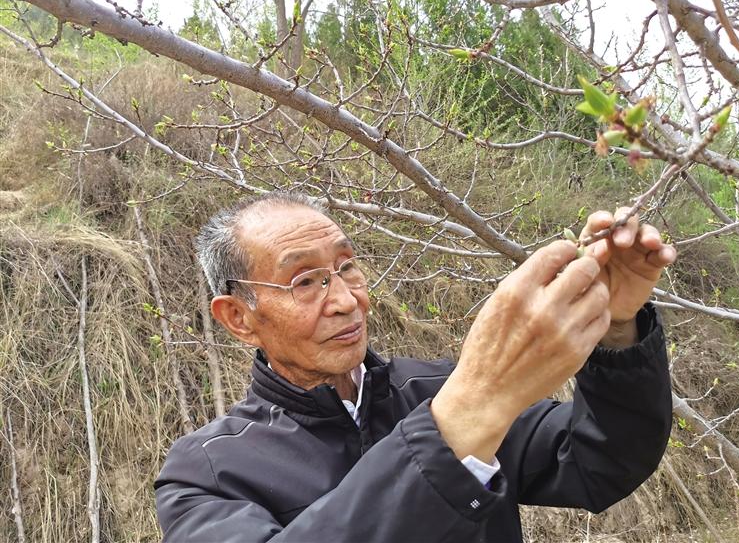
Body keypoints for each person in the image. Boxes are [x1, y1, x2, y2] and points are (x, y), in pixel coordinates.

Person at [155, 191, 677, 542]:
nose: (344, 300)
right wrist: (466, 414)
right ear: (239, 319)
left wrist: (616, 328)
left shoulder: (435, 387)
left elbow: (600, 461)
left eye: (346, 267)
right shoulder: (205, 473)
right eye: (304, 281)